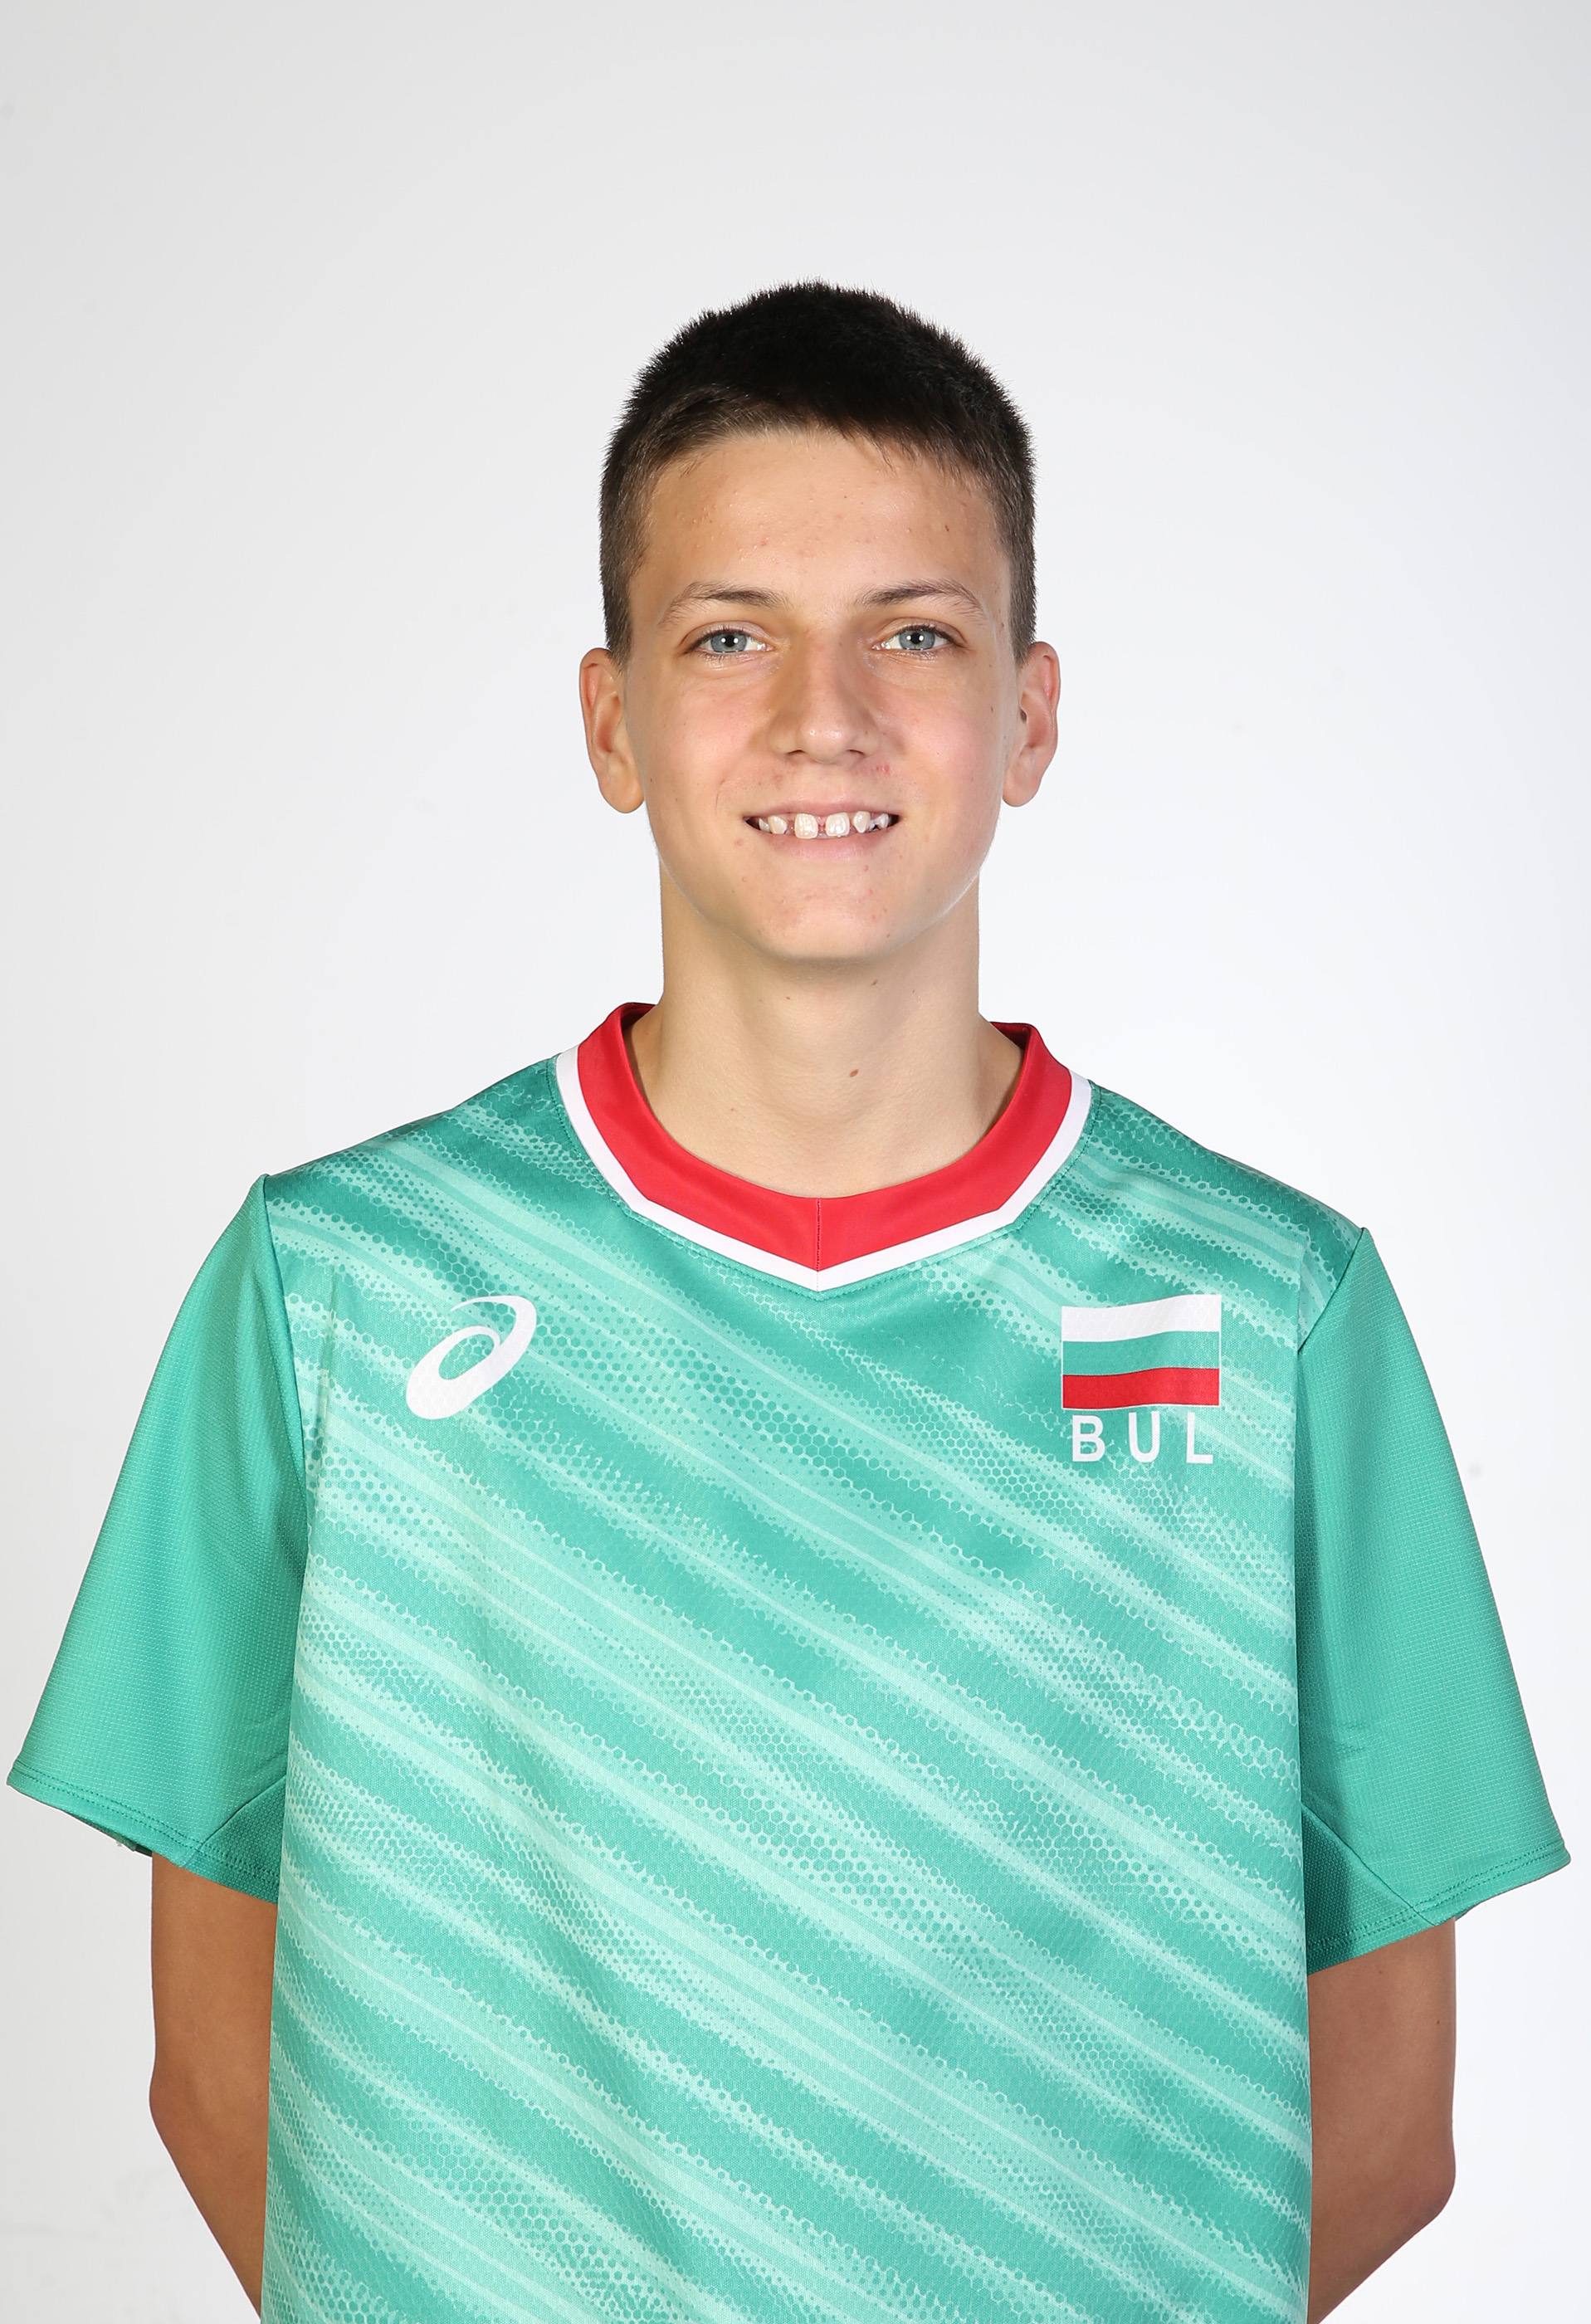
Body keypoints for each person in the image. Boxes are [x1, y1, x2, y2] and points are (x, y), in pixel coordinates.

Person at [10, 283, 1566, 2324]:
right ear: (609, 719)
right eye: (727, 634)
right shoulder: (335, 1292)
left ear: (1027, 713)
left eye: (911, 633)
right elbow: (222, 2076)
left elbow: (1378, 2125)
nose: (821, 715)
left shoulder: (1274, 1310)